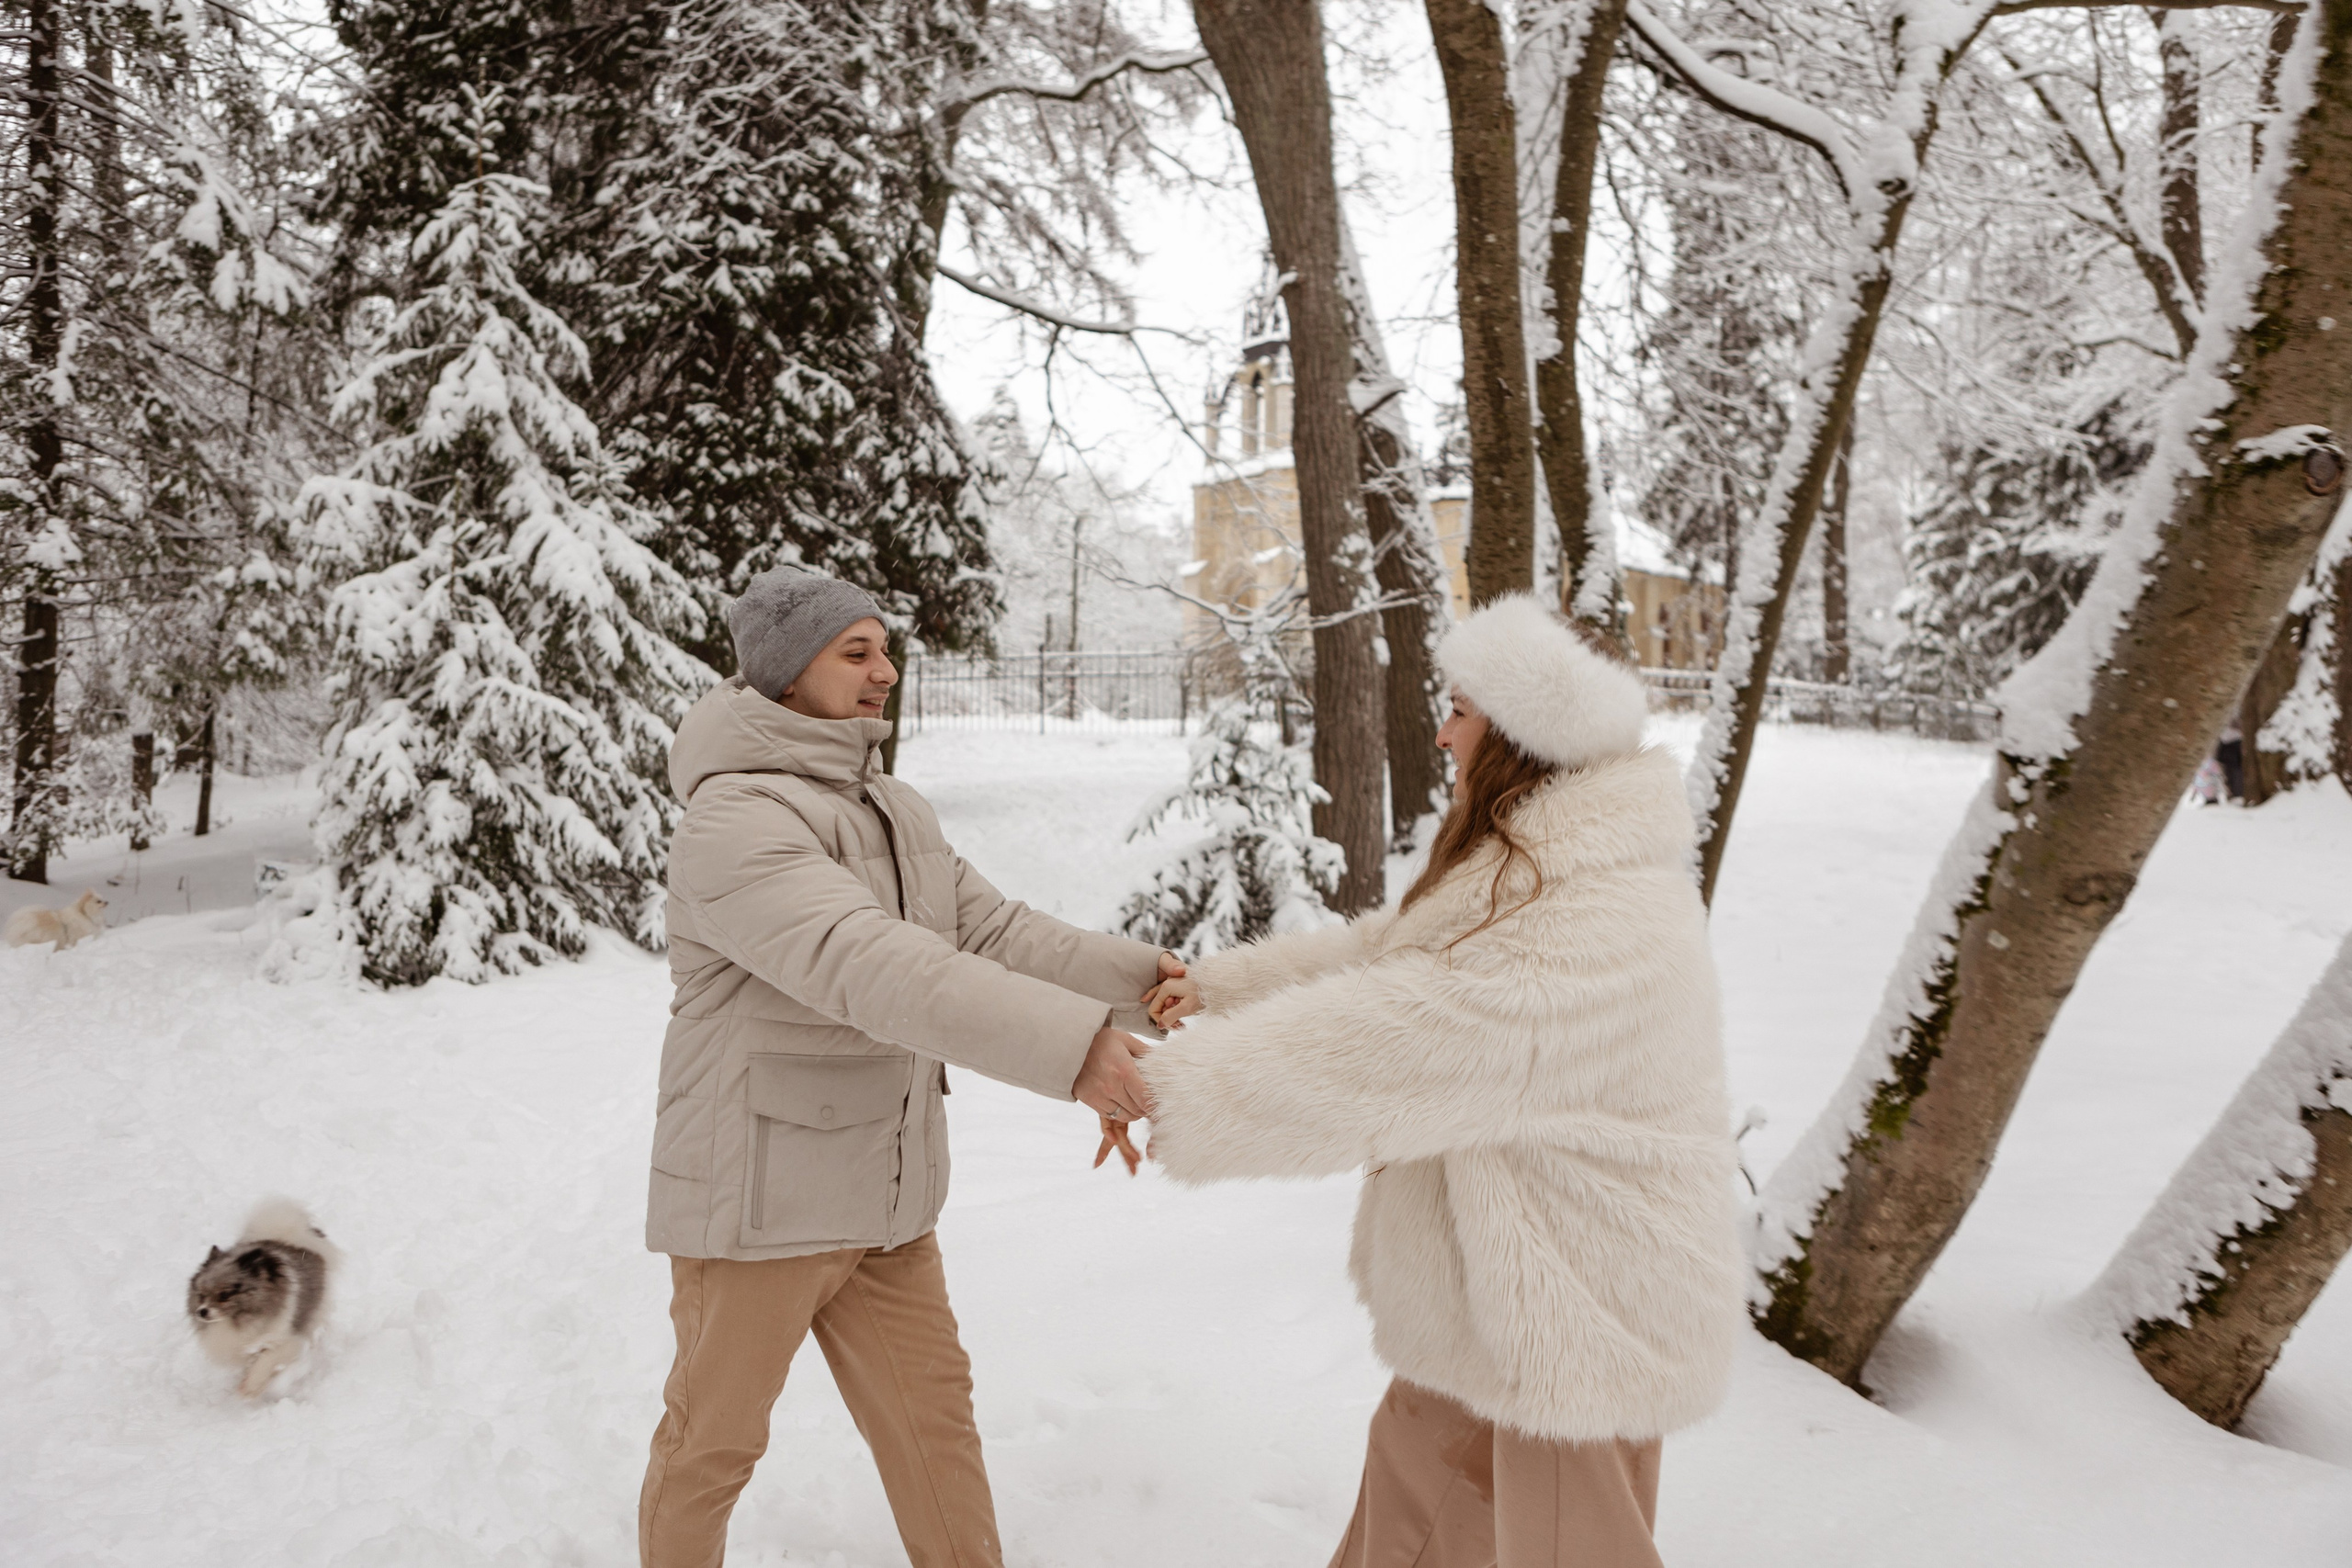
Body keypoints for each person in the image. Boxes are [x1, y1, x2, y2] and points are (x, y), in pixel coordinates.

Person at [1136, 593, 1744, 1568]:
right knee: (1412, 1505)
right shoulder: (1534, 865)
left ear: (1524, 738)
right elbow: (1392, 953)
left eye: (1460, 710)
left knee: (1565, 1546)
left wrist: (1176, 1090)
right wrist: (1221, 987)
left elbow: (1411, 1037)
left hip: (1581, 1310)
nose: (1441, 732)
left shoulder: (1602, 912)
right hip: (1490, 1287)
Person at [639, 564, 1172, 1568]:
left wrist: (1150, 984)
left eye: (885, 649)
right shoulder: (735, 820)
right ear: (786, 673)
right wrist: (1072, 1048)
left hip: (884, 1198)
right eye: (857, 652)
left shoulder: (891, 807)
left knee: (935, 1427)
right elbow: (872, 965)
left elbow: (995, 931)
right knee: (713, 1445)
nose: (885, 670)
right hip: (757, 1205)